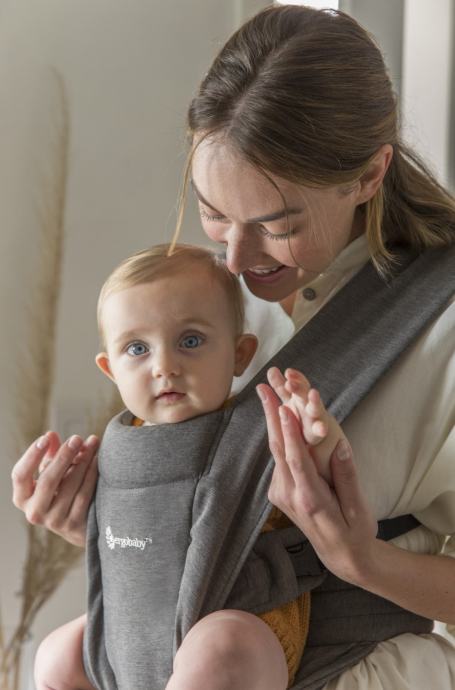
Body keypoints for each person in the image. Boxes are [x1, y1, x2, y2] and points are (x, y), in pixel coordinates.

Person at [12, 4, 455, 689]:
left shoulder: (440, 326)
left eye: (278, 226)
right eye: (214, 213)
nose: (236, 259)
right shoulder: (204, 302)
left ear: (369, 176)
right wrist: (109, 527)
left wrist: (362, 561)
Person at [32, 242, 347, 690]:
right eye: (137, 348)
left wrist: (318, 437)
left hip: (242, 616)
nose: (165, 366)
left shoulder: (255, 424)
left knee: (221, 651)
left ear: (240, 354)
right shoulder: (116, 447)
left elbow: (311, 481)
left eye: (191, 341)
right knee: (54, 657)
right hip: (130, 629)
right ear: (111, 369)